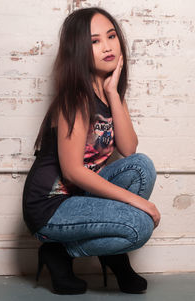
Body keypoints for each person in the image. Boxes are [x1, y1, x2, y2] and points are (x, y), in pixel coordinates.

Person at [22, 6, 161, 295]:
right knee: (139, 226)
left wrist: (112, 93)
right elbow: (73, 170)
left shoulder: (107, 91)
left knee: (140, 166)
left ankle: (98, 255)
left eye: (111, 36)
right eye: (95, 41)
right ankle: (60, 253)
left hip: (80, 198)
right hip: (51, 205)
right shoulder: (75, 98)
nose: (107, 46)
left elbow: (128, 148)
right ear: (78, 50)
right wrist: (139, 204)